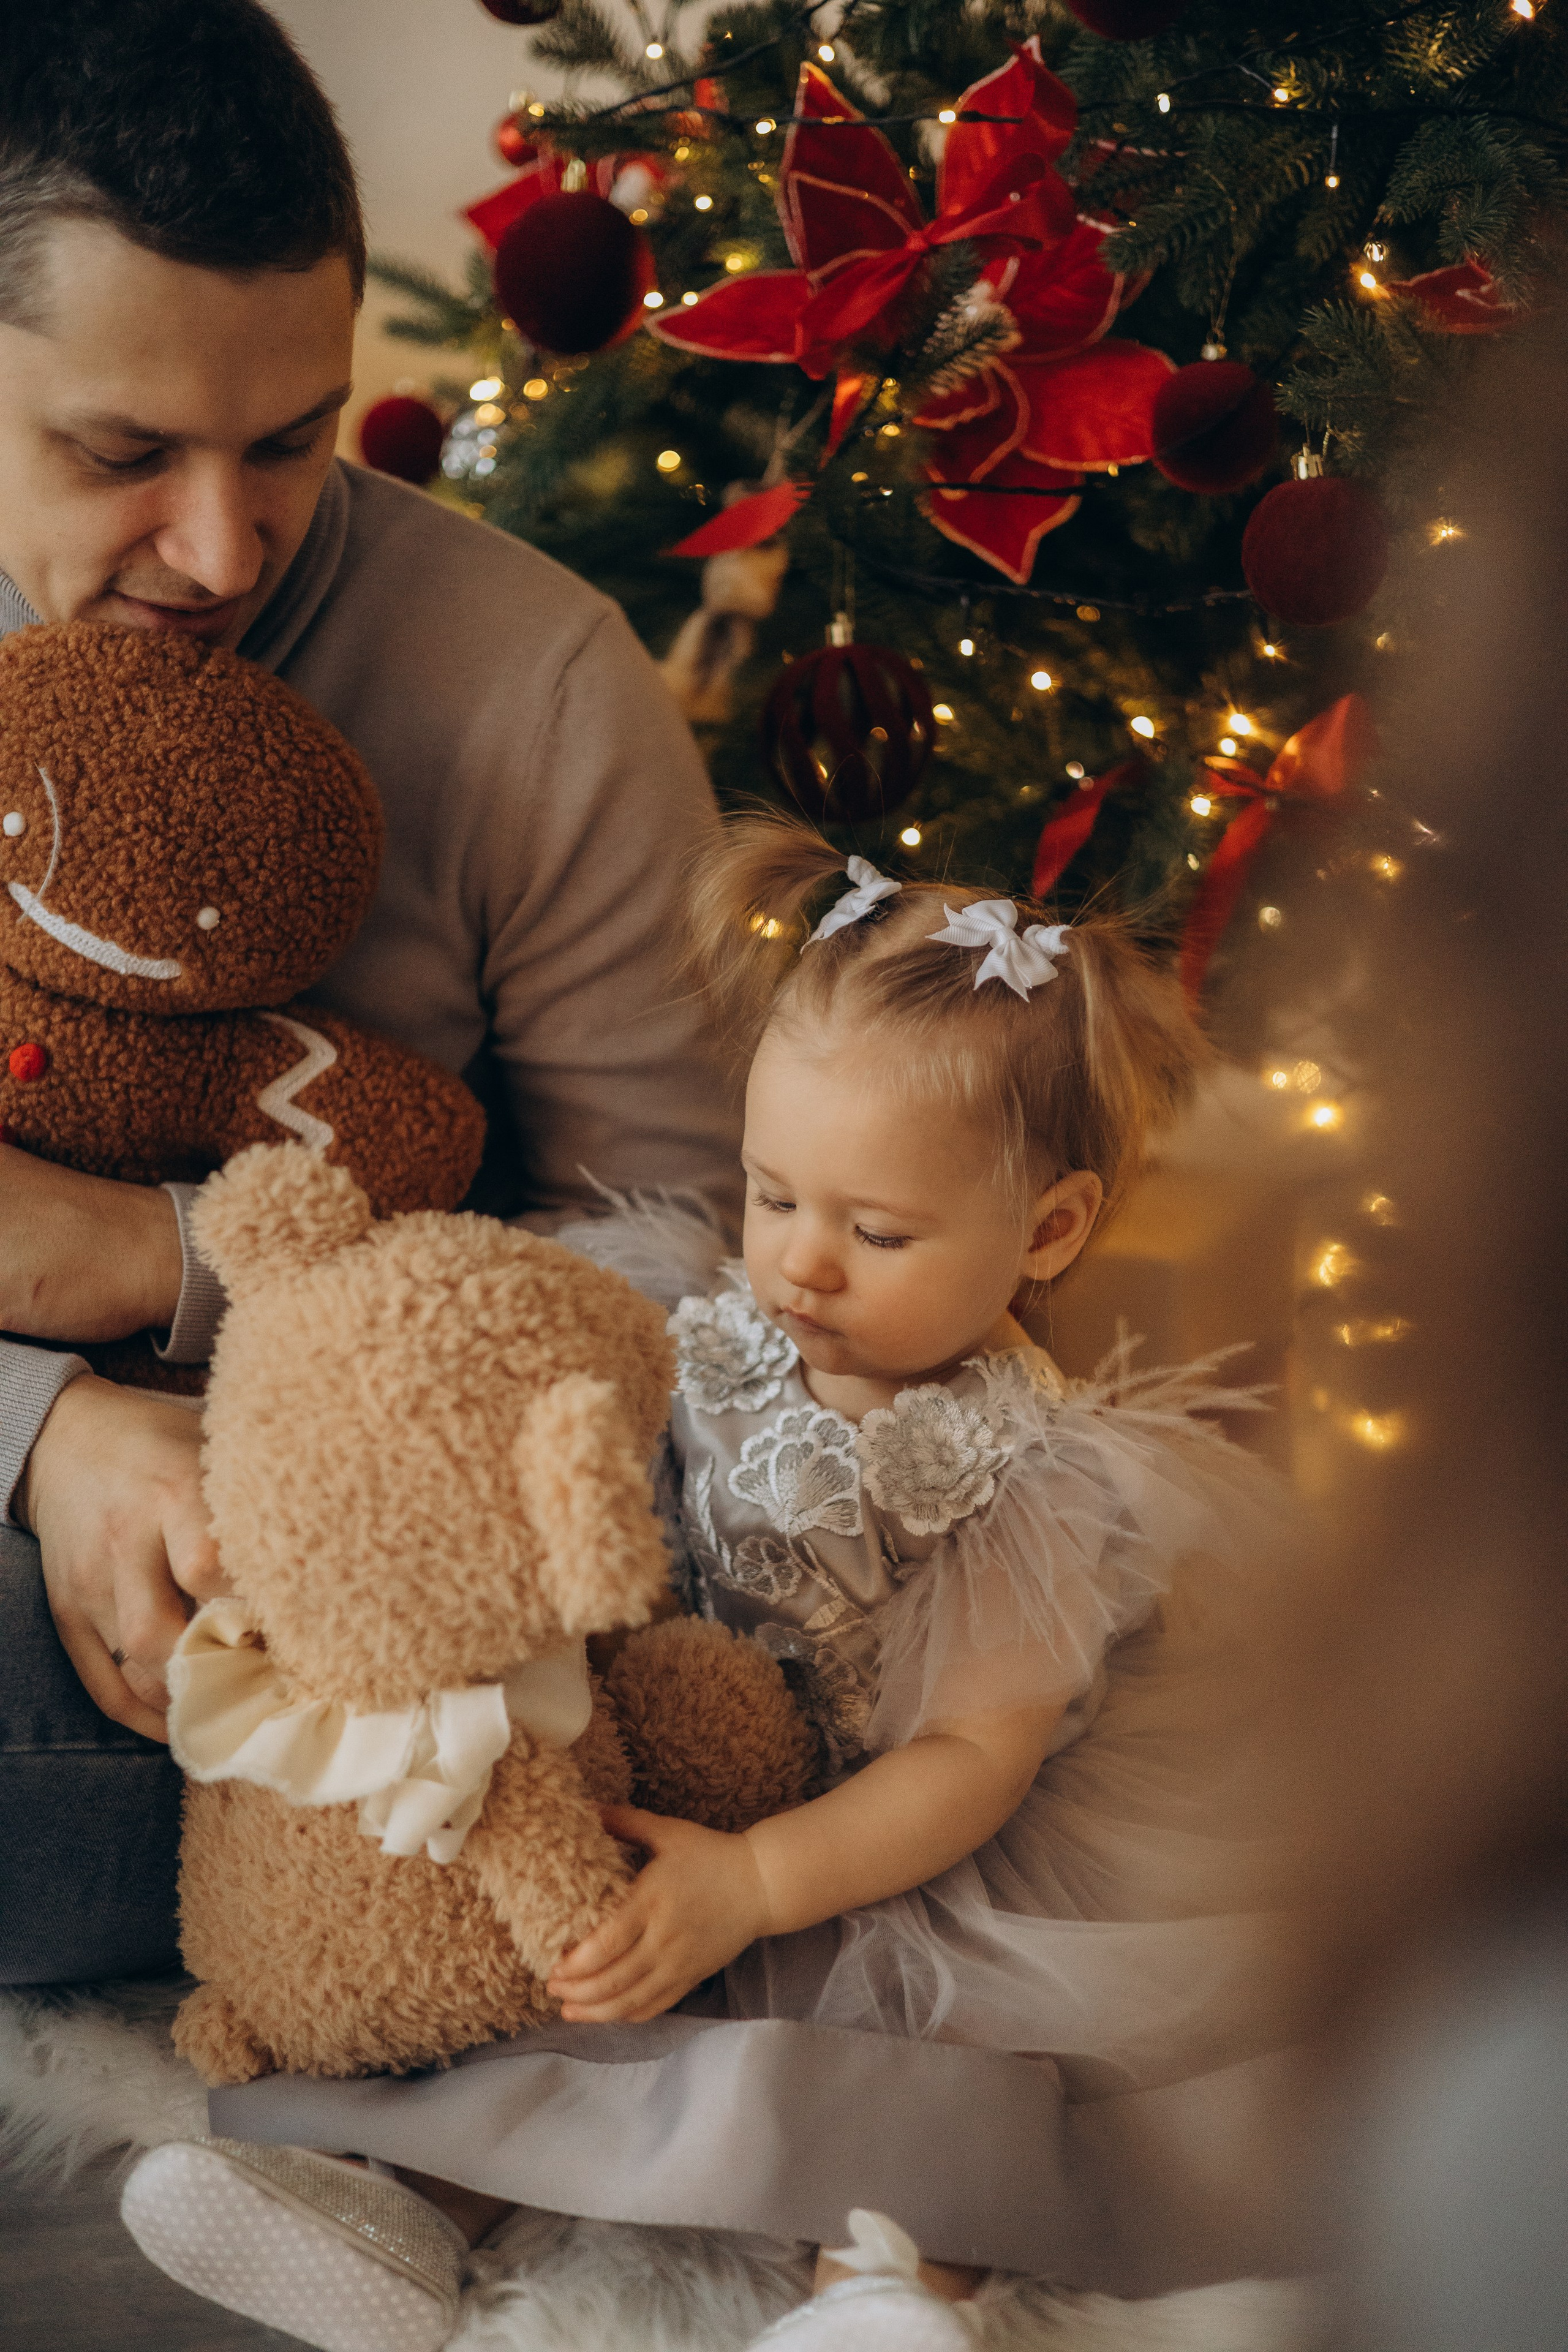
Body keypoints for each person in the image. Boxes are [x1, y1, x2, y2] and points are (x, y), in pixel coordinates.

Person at [121, 823, 1300, 2352]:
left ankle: (879, 2290)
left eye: (876, 1231)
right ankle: (399, 2210)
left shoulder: (1029, 1484)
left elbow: (970, 1756)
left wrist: (757, 1884)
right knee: (548, 1981)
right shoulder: (713, 1325)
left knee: (922, 2078)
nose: (802, 1263)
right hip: (700, 1752)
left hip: (896, 1836)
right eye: (771, 1195)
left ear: (1047, 1230)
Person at [0, 0, 737, 1988]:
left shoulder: (536, 689)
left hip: (346, 1580)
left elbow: (689, 1271)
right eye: (122, 454)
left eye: (290, 441)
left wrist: (167, 1271)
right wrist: (43, 1432)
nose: (220, 547)